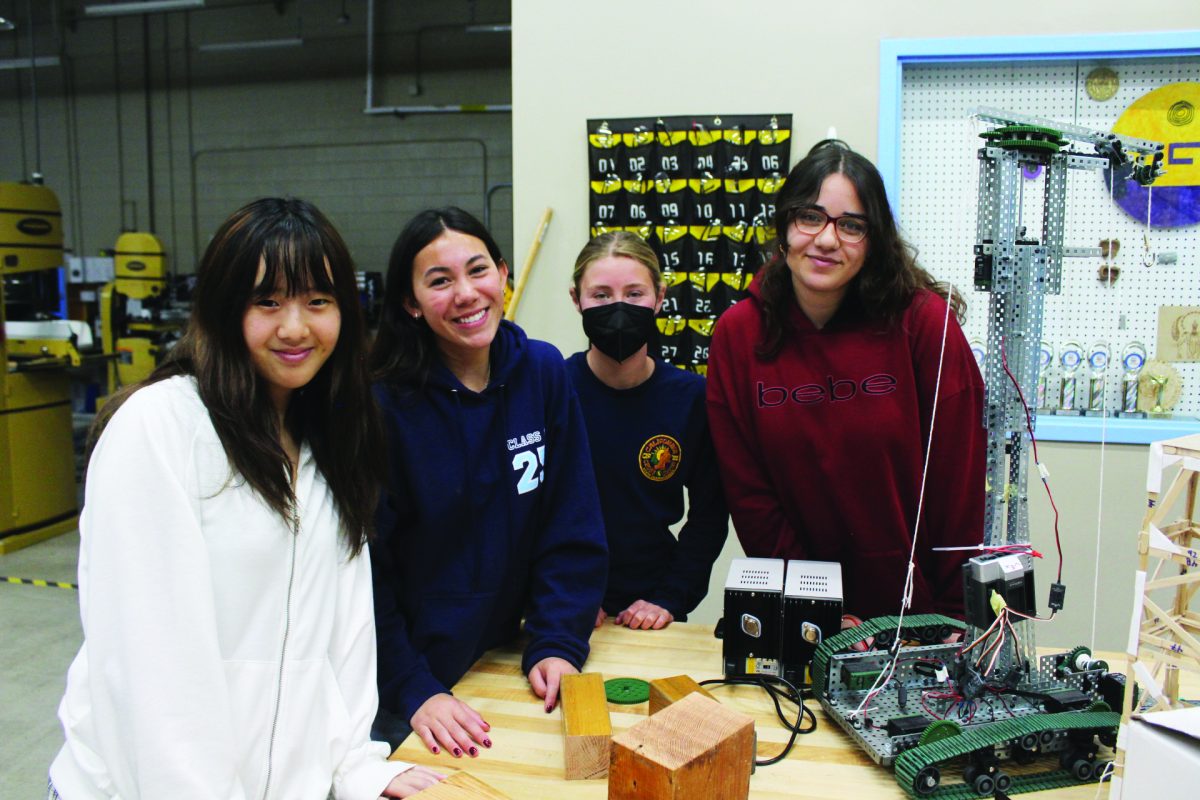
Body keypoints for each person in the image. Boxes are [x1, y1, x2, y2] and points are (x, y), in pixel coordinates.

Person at [49, 198, 443, 799]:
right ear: (223, 308)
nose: (295, 327)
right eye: (267, 302)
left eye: (318, 302)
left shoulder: (329, 440)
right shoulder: (160, 428)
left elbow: (346, 636)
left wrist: (358, 768)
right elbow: (152, 670)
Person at [706, 140, 985, 620]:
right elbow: (749, 495)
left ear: (875, 239)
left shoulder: (924, 326)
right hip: (801, 616)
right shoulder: (738, 335)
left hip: (918, 617)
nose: (827, 239)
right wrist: (812, 606)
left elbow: (957, 486)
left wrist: (949, 614)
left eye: (851, 225)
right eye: (809, 217)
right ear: (783, 226)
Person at [368, 207, 607, 758]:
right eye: (439, 281)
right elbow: (363, 575)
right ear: (410, 303)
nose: (466, 294)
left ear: (503, 275)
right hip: (406, 689)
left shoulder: (543, 374)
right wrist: (413, 687)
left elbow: (570, 526)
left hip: (506, 661)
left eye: (478, 271)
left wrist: (557, 641)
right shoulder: (381, 403)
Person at [566, 231, 728, 630]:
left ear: (659, 297)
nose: (618, 308)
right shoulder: (552, 389)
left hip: (653, 606)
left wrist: (668, 598)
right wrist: (560, 596)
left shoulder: (692, 398)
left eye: (634, 293)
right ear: (577, 300)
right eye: (601, 295)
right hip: (566, 599)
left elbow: (710, 514)